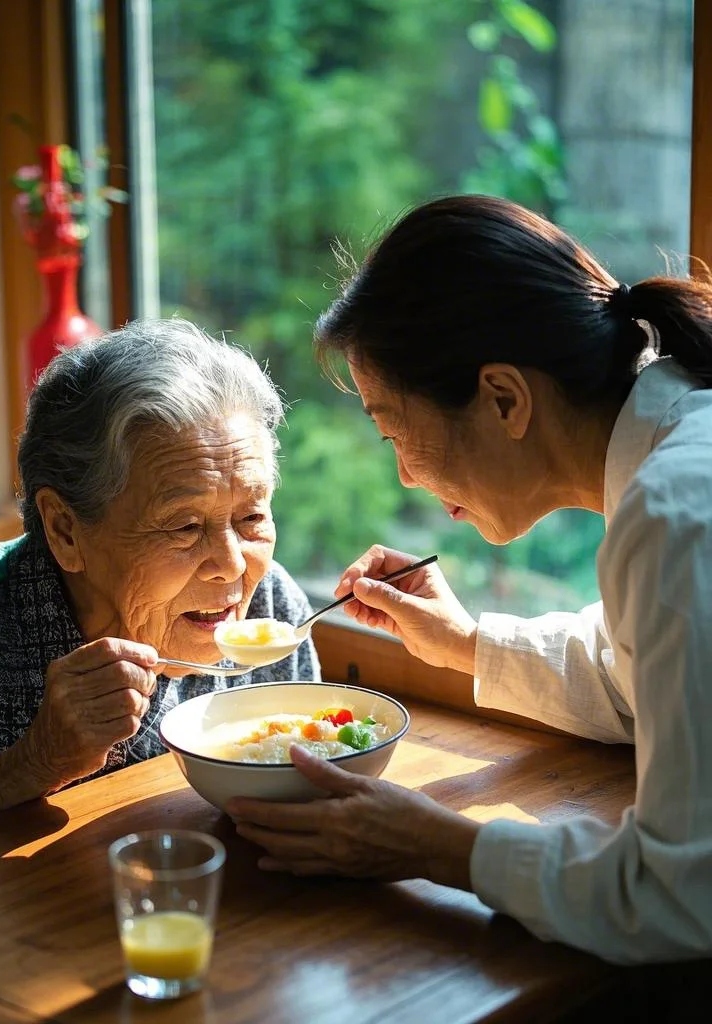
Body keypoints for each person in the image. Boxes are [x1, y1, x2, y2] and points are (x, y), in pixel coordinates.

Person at [227, 194, 712, 965]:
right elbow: (645, 677)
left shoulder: (678, 514)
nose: (406, 475)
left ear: (504, 398)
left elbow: (682, 895)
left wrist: (440, 845)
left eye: (395, 431)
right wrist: (467, 645)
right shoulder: (679, 455)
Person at [0, 318, 320, 831]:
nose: (233, 564)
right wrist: (33, 763)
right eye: (185, 526)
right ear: (65, 530)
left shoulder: (272, 605)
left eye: (251, 517)